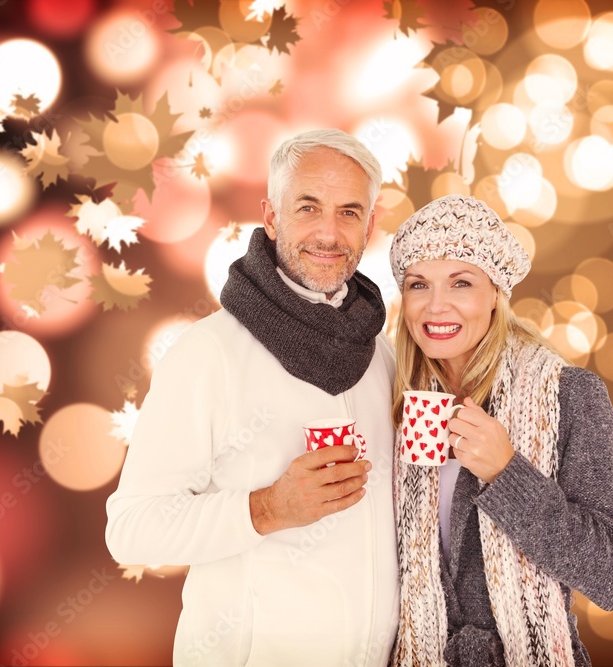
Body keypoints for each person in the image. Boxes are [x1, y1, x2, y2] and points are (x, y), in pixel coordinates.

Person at [106, 129, 400, 666]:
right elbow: (132, 530)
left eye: (350, 212)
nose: (329, 233)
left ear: (370, 226)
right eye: (308, 207)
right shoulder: (208, 354)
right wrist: (265, 509)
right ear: (271, 216)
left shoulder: (381, 357)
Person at [387, 195, 613, 666]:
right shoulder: (394, 397)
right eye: (419, 284)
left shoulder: (569, 396)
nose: (436, 306)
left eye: (461, 282)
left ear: (495, 295)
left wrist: (508, 473)